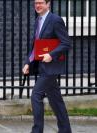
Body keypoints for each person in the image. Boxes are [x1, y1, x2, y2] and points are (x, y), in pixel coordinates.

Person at [22, 0, 72, 133]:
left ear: (48, 4)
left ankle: (37, 131)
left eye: (41, 2)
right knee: (56, 101)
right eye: (35, 3)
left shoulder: (55, 20)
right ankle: (66, 130)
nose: (37, 5)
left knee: (36, 95)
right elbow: (35, 46)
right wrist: (28, 62)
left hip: (51, 68)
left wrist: (51, 54)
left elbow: (66, 43)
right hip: (42, 66)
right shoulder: (38, 21)